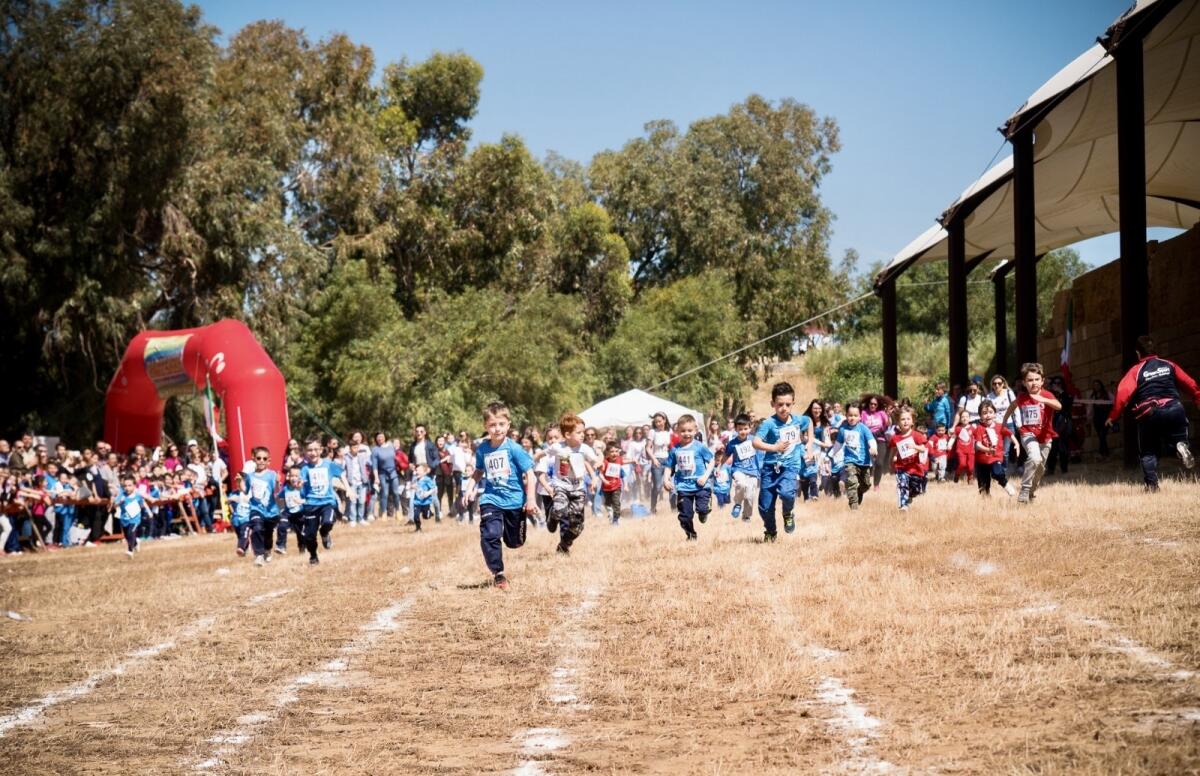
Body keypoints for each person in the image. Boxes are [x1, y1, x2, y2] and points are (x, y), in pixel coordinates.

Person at [1106, 335, 1199, 490]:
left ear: (1138, 353)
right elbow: (1189, 383)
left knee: (1148, 451)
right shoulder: (1169, 365)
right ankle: (1181, 444)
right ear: (1155, 350)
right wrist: (1197, 398)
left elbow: (1123, 393)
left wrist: (1113, 416)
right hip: (1175, 408)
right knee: (1178, 436)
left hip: (1150, 414)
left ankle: (1152, 486)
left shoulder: (1136, 371)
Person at [472, 402, 538, 589]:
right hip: (491, 499)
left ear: (508, 425)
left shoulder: (515, 449)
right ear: (486, 426)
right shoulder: (483, 450)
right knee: (490, 534)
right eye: (492, 425)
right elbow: (478, 471)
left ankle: (515, 538)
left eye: (501, 424)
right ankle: (498, 574)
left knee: (514, 542)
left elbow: (530, 475)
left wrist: (531, 499)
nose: (497, 428)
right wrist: (470, 488)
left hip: (515, 502)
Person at [537, 413, 601, 555]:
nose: (582, 435)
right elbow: (542, 453)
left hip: (578, 489)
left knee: (577, 526)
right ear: (567, 434)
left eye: (583, 432)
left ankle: (564, 544)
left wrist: (598, 463)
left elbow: (594, 459)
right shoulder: (557, 447)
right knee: (559, 509)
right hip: (561, 486)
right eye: (579, 432)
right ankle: (552, 519)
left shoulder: (584, 448)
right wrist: (530, 461)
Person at [753, 382, 809, 540]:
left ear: (793, 404)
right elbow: (755, 442)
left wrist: (810, 444)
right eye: (780, 404)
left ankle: (787, 512)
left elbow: (809, 422)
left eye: (787, 404)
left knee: (787, 493)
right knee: (765, 507)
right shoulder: (768, 424)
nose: (784, 408)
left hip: (790, 467)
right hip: (770, 470)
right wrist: (774, 447)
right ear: (773, 404)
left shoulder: (798, 420)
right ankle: (770, 531)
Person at [1002, 362, 1062, 504]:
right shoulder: (1023, 397)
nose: (1033, 383)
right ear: (1024, 383)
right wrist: (1004, 420)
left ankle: (1031, 492)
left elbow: (1059, 406)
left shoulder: (1047, 394)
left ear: (1042, 381)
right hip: (1028, 434)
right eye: (1029, 380)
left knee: (1040, 469)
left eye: (1036, 379)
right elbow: (1012, 406)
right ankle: (1024, 489)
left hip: (1046, 437)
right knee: (1034, 458)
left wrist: (1044, 399)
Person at [662, 414, 714, 541]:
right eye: (683, 431)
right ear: (677, 432)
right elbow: (669, 467)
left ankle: (704, 510)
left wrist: (705, 477)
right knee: (685, 515)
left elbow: (712, 461)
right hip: (683, 487)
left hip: (700, 485)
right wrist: (666, 479)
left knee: (701, 509)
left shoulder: (700, 447)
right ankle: (691, 535)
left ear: (695, 430)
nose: (686, 433)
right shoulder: (675, 450)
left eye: (690, 430)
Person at [300, 437, 345, 565]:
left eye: (315, 449)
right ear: (305, 452)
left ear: (320, 450)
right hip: (311, 504)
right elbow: (300, 485)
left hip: (327, 502)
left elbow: (341, 475)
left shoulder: (328, 464)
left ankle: (324, 533)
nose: (313, 453)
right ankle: (313, 556)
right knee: (309, 535)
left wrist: (348, 489)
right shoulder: (304, 469)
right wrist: (298, 490)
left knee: (328, 521)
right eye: (309, 450)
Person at [834, 402, 876, 510]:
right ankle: (854, 507)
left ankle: (859, 491)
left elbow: (871, 440)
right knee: (852, 481)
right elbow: (838, 444)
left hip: (864, 462)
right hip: (850, 461)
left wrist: (873, 448)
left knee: (866, 484)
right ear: (846, 415)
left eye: (855, 415)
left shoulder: (863, 428)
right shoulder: (843, 429)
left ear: (860, 417)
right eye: (850, 415)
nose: (852, 418)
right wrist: (833, 454)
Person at [245, 446, 281, 567]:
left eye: (264, 458)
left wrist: (277, 482)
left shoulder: (272, 474)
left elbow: (276, 492)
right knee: (257, 528)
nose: (261, 460)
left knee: (268, 533)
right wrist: (240, 483)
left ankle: (267, 549)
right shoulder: (250, 476)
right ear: (253, 459)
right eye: (259, 458)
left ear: (268, 461)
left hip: (271, 511)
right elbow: (245, 490)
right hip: (255, 508)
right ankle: (259, 555)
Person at [888, 408, 927, 512]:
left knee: (916, 490)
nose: (905, 421)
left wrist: (915, 446)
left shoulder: (917, 435)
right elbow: (893, 451)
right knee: (902, 485)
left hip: (915, 468)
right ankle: (903, 506)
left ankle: (909, 496)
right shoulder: (895, 438)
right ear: (898, 423)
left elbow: (923, 449)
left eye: (908, 419)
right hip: (901, 467)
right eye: (902, 419)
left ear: (912, 421)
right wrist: (892, 459)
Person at [973, 400, 1015, 497]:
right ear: (980, 416)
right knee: (983, 487)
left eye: (990, 412)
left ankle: (1005, 483)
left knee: (998, 473)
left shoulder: (999, 426)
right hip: (981, 461)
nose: (988, 415)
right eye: (984, 413)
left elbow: (1009, 434)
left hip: (995, 458)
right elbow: (977, 445)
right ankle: (986, 502)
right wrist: (988, 450)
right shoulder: (979, 428)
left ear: (995, 414)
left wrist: (1016, 443)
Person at [724, 414, 758, 522]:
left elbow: (764, 449)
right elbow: (725, 456)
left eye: (745, 429)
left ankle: (746, 515)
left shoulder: (754, 440)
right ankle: (738, 504)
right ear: (735, 429)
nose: (743, 431)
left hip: (753, 472)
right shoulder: (732, 444)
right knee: (741, 484)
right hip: (738, 470)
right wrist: (719, 467)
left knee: (750, 496)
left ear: (750, 427)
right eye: (740, 429)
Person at [987, 376, 1018, 470]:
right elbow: (986, 411)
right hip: (995, 427)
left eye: (999, 383)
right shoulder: (989, 397)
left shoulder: (1009, 393)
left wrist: (1018, 424)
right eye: (994, 383)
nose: (997, 385)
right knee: (996, 450)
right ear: (992, 385)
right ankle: (996, 469)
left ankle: (1004, 470)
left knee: (1005, 450)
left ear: (1003, 384)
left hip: (1008, 424)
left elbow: (1015, 408)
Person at [1044, 376, 1073, 475]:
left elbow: (1068, 405)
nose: (1056, 385)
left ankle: (1064, 469)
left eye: (1059, 383)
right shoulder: (1050, 395)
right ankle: (1050, 469)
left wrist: (1061, 391)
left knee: (1063, 446)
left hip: (1063, 423)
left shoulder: (1066, 394)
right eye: (1054, 383)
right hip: (1052, 423)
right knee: (1052, 447)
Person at [860, 395, 890, 489]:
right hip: (867, 440)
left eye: (875, 404)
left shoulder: (881, 413)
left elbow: (888, 424)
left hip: (880, 439)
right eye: (871, 404)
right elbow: (859, 425)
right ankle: (865, 481)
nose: (873, 406)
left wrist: (888, 415)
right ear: (868, 404)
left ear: (877, 405)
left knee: (879, 463)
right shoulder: (864, 413)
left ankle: (876, 484)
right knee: (868, 463)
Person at [647, 412, 675, 514]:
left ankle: (673, 508)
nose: (658, 423)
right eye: (656, 422)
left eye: (660, 421)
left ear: (664, 420)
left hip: (668, 460)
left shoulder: (669, 431)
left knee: (671, 485)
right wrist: (653, 459)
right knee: (657, 487)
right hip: (657, 460)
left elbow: (673, 446)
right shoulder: (652, 432)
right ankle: (653, 508)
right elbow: (648, 448)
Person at [114, 475, 147, 558]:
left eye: (129, 485)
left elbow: (142, 505)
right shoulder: (121, 495)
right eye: (125, 486)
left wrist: (139, 508)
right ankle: (136, 543)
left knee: (131, 532)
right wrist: (119, 503)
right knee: (127, 536)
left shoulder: (137, 496)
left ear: (134, 486)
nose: (127, 488)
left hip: (135, 519)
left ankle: (130, 551)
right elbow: (115, 505)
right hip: (124, 519)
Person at [277, 466, 304, 554]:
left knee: (301, 534)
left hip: (300, 514)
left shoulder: (302, 489)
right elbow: (278, 496)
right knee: (282, 526)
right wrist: (278, 483)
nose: (294, 478)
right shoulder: (285, 488)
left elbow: (308, 498)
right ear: (288, 476)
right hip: (288, 513)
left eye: (296, 476)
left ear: (300, 477)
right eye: (292, 476)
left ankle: (302, 548)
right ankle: (281, 546)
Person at [599, 441, 624, 525]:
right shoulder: (605, 462)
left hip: (617, 486)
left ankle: (616, 519)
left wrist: (633, 461)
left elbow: (624, 462)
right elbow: (600, 474)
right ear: (607, 453)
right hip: (606, 488)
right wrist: (605, 481)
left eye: (616, 451)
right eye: (612, 451)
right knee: (608, 504)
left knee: (616, 502)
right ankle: (611, 515)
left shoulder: (619, 459)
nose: (614, 453)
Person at [1089, 379, 1114, 458]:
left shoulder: (1107, 394)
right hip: (1097, 419)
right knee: (1100, 436)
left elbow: (1114, 401)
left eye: (1098, 384)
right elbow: (1090, 409)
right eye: (1095, 385)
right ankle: (1105, 453)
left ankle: (1102, 452)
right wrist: (1089, 418)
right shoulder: (1093, 396)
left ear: (1101, 385)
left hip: (1106, 418)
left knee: (1102, 434)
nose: (1096, 386)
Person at [950, 409, 975, 484]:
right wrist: (949, 444)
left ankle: (970, 477)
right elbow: (953, 437)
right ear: (960, 419)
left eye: (967, 417)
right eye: (963, 417)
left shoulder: (973, 428)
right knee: (962, 464)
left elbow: (977, 438)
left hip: (971, 451)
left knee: (970, 467)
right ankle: (957, 474)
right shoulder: (958, 428)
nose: (965, 418)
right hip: (961, 450)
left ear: (969, 418)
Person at [411, 464, 435, 532]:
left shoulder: (427, 480)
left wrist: (427, 493)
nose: (417, 472)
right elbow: (411, 486)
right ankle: (418, 528)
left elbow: (434, 488)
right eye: (416, 470)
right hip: (417, 502)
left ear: (424, 472)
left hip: (425, 502)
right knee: (416, 516)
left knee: (426, 517)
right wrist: (412, 487)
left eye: (419, 470)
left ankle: (429, 512)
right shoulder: (415, 479)